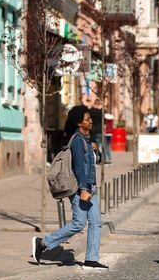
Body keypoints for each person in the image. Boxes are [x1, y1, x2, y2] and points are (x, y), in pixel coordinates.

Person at [32, 106, 108, 270]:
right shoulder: (78, 141)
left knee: (96, 222)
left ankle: (91, 259)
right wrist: (83, 189)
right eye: (88, 119)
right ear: (80, 123)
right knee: (78, 224)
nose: (91, 121)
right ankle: (44, 242)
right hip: (81, 189)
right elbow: (79, 167)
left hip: (90, 187)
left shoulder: (85, 140)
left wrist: (93, 148)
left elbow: (91, 162)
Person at [89, 99, 103, 164]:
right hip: (99, 131)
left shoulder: (91, 111)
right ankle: (99, 158)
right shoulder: (100, 112)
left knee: (94, 146)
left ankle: (96, 159)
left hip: (93, 131)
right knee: (99, 146)